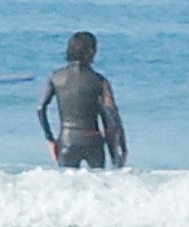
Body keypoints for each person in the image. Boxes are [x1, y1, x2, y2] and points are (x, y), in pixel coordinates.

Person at [39, 31, 127, 169]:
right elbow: (112, 116)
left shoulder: (55, 77)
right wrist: (121, 148)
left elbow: (40, 109)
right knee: (98, 183)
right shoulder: (99, 81)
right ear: (91, 52)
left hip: (67, 140)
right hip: (93, 141)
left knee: (67, 185)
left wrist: (50, 139)